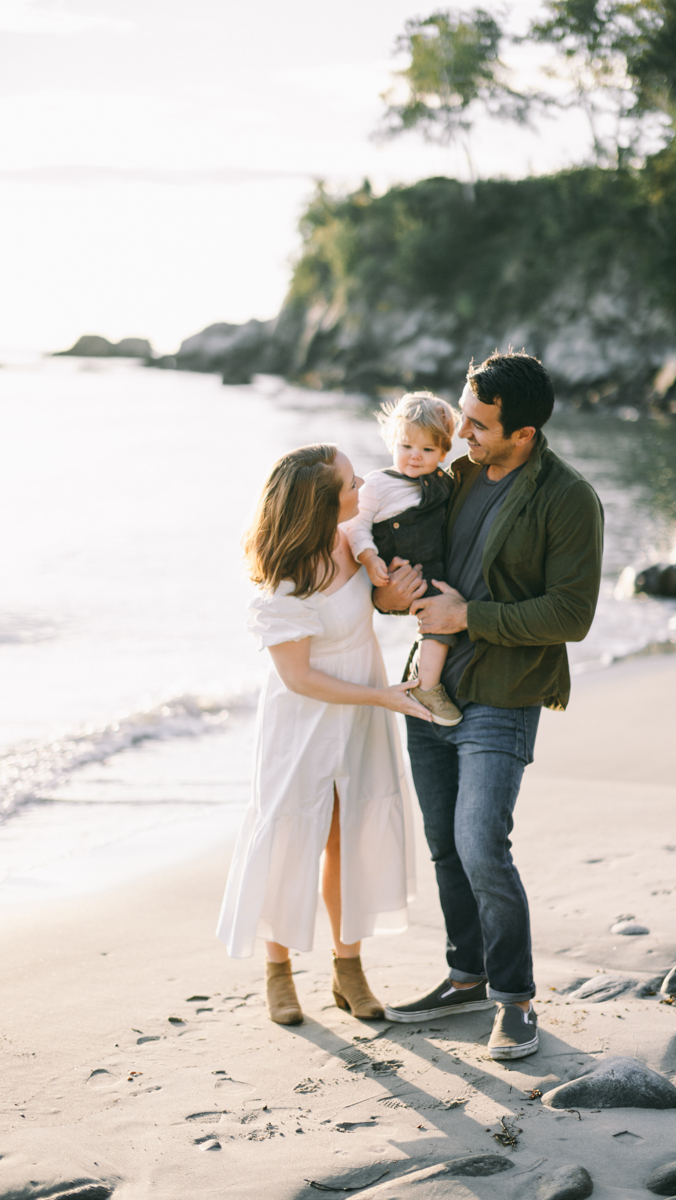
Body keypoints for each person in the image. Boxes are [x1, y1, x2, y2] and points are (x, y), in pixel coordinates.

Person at [373, 351, 604, 1060]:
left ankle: (515, 999)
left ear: (523, 432)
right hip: (429, 688)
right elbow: (410, 567)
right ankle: (465, 975)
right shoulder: (455, 477)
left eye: (477, 423)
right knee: (445, 845)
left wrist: (468, 618)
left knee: (481, 845)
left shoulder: (569, 499)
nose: (461, 432)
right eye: (463, 417)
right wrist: (393, 591)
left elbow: (570, 614)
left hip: (504, 696)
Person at [216, 443, 431, 1026]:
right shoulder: (283, 578)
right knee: (292, 834)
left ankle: (348, 968)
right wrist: (383, 697)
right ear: (321, 502)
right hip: (305, 719)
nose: (363, 482)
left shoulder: (351, 538)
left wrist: (396, 592)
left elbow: (373, 602)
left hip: (361, 708)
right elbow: (300, 677)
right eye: (350, 480)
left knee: (349, 833)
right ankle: (278, 972)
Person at [345, 392, 462, 726]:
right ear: (392, 442)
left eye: (427, 450)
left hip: (435, 569)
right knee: (437, 625)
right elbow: (357, 527)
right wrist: (369, 559)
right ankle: (428, 686)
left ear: (443, 451)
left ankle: (427, 681)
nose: (414, 457)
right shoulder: (378, 485)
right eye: (406, 447)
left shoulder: (444, 482)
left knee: (439, 623)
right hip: (399, 572)